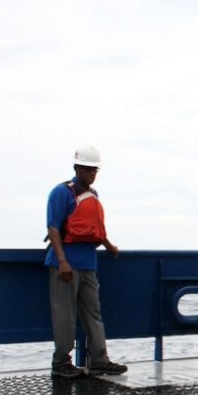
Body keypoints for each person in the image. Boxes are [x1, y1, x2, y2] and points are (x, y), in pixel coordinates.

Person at [45, 145, 126, 378]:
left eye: (94, 170)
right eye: (86, 169)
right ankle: (61, 363)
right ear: (76, 168)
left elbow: (94, 230)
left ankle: (100, 359)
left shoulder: (94, 195)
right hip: (65, 265)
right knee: (65, 317)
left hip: (89, 264)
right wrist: (62, 261)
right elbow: (53, 228)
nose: (90, 174)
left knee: (94, 313)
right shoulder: (61, 193)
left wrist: (109, 246)